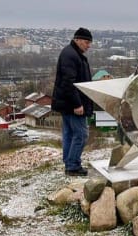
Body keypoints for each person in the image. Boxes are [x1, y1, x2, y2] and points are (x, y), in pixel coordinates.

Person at [51, 27, 93, 176]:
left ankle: (69, 163)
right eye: (86, 42)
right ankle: (73, 166)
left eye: (90, 42)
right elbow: (69, 83)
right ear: (77, 40)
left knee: (69, 134)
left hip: (67, 104)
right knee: (81, 135)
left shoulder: (72, 53)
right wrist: (77, 104)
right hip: (73, 104)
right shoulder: (71, 55)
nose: (88, 45)